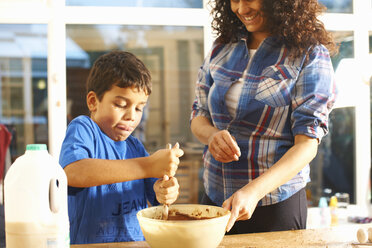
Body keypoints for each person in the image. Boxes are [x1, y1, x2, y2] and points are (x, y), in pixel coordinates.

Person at [190, 0, 338, 234]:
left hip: (275, 204)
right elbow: (198, 114)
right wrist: (211, 136)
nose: (241, 9)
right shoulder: (222, 47)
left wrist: (253, 192)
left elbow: (307, 145)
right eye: (234, 0)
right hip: (216, 199)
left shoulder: (309, 53)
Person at [59, 51, 184, 244]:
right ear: (93, 101)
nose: (131, 116)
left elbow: (157, 196)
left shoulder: (134, 146)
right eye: (120, 104)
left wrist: (166, 190)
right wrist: (148, 166)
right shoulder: (84, 129)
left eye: (139, 108)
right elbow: (74, 172)